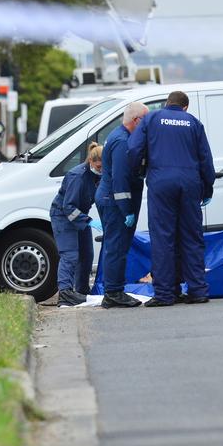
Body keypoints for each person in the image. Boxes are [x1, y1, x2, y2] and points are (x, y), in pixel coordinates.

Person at [128, 91, 216, 307]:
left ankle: (166, 293)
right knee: (192, 238)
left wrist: (138, 171)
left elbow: (133, 148)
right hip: (189, 183)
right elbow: (206, 158)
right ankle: (197, 291)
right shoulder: (193, 122)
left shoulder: (152, 118)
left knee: (163, 238)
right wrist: (207, 188)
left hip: (161, 182)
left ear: (167, 103)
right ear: (185, 107)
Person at [95, 102, 149, 308]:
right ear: (136, 121)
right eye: (145, 120)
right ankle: (114, 293)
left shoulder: (119, 136)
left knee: (116, 246)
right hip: (115, 202)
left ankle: (115, 290)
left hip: (112, 200)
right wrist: (126, 209)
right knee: (116, 247)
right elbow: (120, 179)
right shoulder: (122, 142)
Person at [50, 142, 103, 306]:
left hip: (80, 216)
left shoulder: (98, 176)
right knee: (70, 255)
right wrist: (88, 221)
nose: (102, 169)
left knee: (87, 255)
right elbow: (68, 207)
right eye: (99, 166)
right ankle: (65, 293)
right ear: (91, 162)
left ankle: (81, 291)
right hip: (63, 216)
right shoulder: (77, 176)